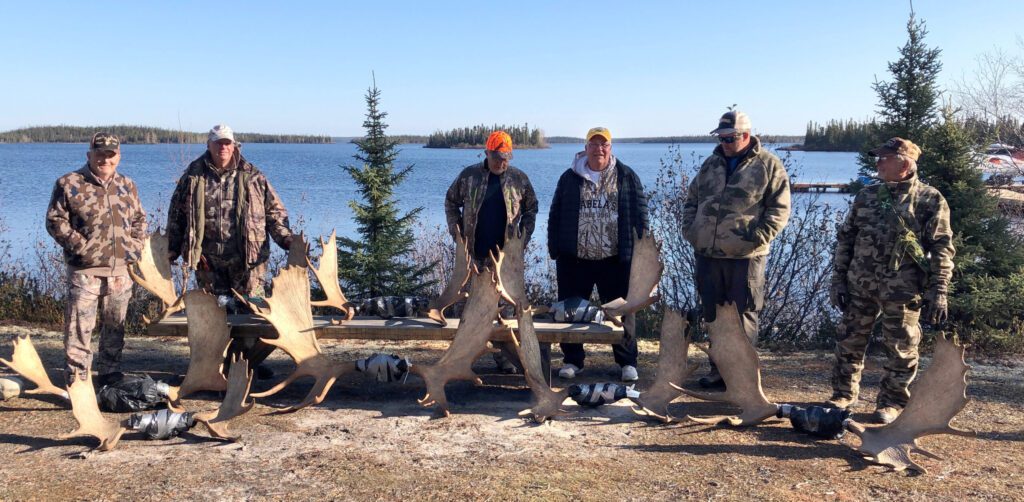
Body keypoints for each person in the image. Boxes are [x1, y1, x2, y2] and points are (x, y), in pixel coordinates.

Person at [828, 137, 954, 424]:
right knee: (849, 341)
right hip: (860, 284)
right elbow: (846, 238)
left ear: (905, 163)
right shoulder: (867, 195)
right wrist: (838, 279)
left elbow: (942, 247)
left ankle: (892, 402)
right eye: (878, 158)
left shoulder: (929, 199)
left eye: (885, 158)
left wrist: (939, 290)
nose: (878, 163)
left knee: (901, 346)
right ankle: (843, 395)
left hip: (903, 289)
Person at [166, 124, 293, 374]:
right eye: (218, 142)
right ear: (209, 145)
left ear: (234, 145)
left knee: (252, 313)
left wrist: (288, 241)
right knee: (212, 316)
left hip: (249, 262)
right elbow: (176, 215)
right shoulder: (192, 176)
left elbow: (275, 214)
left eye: (227, 142)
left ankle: (247, 362)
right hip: (207, 261)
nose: (223, 147)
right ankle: (213, 365)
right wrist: (170, 249)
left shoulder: (253, 175)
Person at [681, 110, 791, 389]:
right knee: (713, 317)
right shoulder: (711, 164)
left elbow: (780, 208)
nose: (725, 143)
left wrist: (758, 237)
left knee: (743, 317)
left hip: (746, 257)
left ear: (746, 135)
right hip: (708, 254)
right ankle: (718, 371)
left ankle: (742, 378)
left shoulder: (768, 165)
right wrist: (691, 231)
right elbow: (692, 199)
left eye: (730, 138)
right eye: (721, 138)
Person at [45, 132, 147, 384]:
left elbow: (139, 219)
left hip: (121, 273)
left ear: (118, 157)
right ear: (89, 154)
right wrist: (81, 247)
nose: (105, 159)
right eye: (99, 153)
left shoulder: (128, 185)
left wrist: (133, 247)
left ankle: (110, 375)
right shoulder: (69, 183)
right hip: (85, 272)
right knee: (79, 329)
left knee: (115, 329)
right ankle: (78, 379)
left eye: (110, 155)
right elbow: (55, 221)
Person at [548, 127, 648, 382]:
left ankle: (626, 362)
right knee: (570, 311)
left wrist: (641, 253)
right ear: (586, 147)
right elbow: (555, 213)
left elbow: (640, 215)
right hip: (575, 259)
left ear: (610, 148)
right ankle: (573, 361)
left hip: (615, 259)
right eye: (594, 144)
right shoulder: (569, 178)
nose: (599, 149)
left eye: (604, 144)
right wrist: (554, 248)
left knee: (623, 311)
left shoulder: (626, 176)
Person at [444, 130, 538, 373]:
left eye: (505, 157)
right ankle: (460, 360)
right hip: (471, 257)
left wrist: (521, 240)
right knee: (464, 310)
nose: (501, 162)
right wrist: (457, 236)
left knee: (505, 312)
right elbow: (451, 201)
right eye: (496, 156)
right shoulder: (469, 176)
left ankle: (504, 359)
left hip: (504, 260)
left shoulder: (520, 179)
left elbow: (532, 209)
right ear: (486, 153)